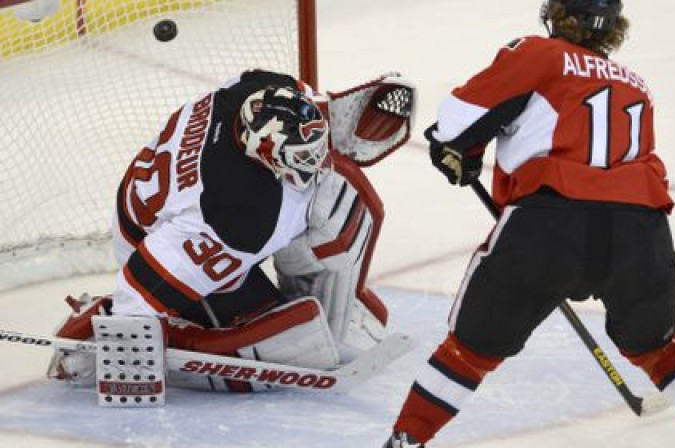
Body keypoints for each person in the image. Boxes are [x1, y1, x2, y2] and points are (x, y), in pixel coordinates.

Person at [384, 1, 675, 447]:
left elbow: (455, 125)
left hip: (549, 225)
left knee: (469, 351)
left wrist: (460, 155)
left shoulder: (538, 53)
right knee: (660, 347)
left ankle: (405, 442)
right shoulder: (636, 84)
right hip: (641, 230)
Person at [47, 69, 416, 394]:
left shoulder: (260, 88)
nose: (317, 164)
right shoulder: (234, 218)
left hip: (167, 204)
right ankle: (136, 335)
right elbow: (141, 289)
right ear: (264, 154)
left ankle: (326, 308)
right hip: (154, 242)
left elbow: (306, 112)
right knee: (299, 345)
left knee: (336, 197)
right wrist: (124, 355)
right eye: (304, 159)